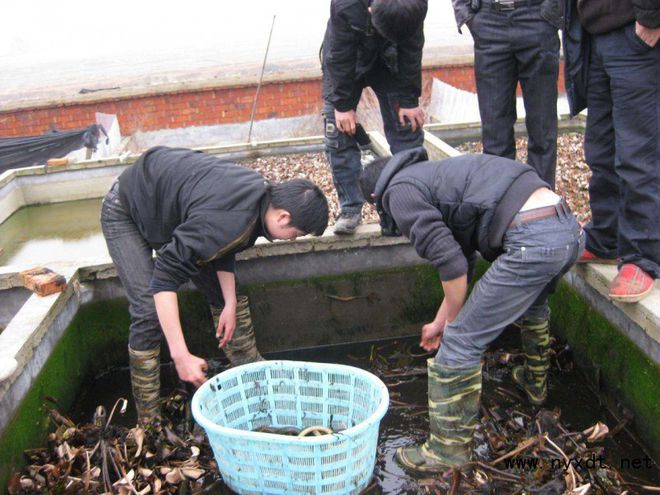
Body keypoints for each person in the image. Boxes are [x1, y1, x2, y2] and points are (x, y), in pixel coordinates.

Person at [359, 147, 583, 472]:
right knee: (534, 303)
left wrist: (452, 326)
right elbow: (462, 259)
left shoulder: (398, 193)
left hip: (531, 238)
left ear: (376, 195)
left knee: (461, 342)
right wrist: (440, 320)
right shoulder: (435, 176)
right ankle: (535, 386)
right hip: (567, 230)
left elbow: (450, 265)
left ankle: (446, 454)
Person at [100, 146, 329, 422]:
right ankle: (149, 418)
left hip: (166, 204)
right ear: (283, 217)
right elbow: (164, 278)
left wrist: (229, 303)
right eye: (296, 234)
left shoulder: (258, 200)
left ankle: (251, 369)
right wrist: (181, 355)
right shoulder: (231, 218)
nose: (293, 239)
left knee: (224, 293)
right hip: (127, 208)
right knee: (147, 310)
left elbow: (224, 247)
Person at [563, 0, 659, 302]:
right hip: (596, 32)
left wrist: (652, 16)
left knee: (637, 153)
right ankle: (606, 236)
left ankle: (642, 256)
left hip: (633, 32)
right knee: (601, 149)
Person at [321, 0, 428, 235]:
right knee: (338, 131)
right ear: (372, 11)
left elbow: (412, 47)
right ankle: (350, 208)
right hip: (348, 58)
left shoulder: (414, 5)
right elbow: (338, 53)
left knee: (407, 128)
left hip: (392, 59)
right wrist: (342, 104)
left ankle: (413, 203)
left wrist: (409, 100)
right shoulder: (346, 5)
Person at [450, 0, 565, 188]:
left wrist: (552, 13)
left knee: (543, 128)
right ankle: (500, 205)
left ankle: (541, 206)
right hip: (488, 20)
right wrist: (467, 15)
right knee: (494, 133)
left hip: (537, 17)